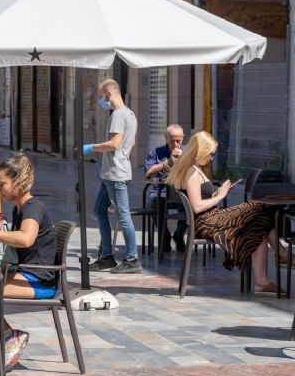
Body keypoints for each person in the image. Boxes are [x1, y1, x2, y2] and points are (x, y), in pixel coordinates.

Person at [0, 153, 57, 370]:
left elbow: (26, 239)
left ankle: (8, 336)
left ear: (18, 181)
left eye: (2, 184)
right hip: (25, 273)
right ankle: (7, 338)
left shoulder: (32, 208)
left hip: (39, 280)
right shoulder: (19, 209)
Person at [165, 131, 288, 294]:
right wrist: (220, 196)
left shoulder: (196, 169)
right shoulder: (192, 172)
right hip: (207, 222)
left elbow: (202, 198)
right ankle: (281, 255)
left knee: (259, 220)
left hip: (212, 217)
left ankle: (263, 280)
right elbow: (197, 207)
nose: (212, 157)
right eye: (211, 153)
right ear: (201, 151)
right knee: (257, 208)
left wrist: (217, 193)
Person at [83, 78, 140, 274]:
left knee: (123, 215)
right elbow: (130, 143)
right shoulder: (130, 114)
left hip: (116, 174)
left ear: (108, 94)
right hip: (112, 171)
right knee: (99, 210)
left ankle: (133, 259)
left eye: (101, 96)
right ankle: (107, 256)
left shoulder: (117, 115)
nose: (102, 101)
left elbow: (114, 144)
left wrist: (92, 148)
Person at [145, 124, 187, 252]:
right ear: (166, 138)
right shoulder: (156, 153)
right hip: (161, 191)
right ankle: (165, 235)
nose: (175, 143)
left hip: (182, 191)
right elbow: (148, 173)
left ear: (183, 139)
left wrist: (184, 160)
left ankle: (179, 235)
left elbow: (198, 170)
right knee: (153, 201)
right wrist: (168, 162)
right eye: (172, 140)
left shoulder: (188, 152)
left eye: (178, 140)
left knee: (191, 204)